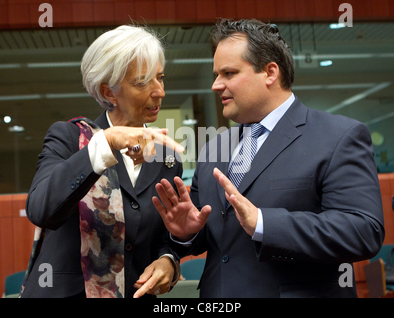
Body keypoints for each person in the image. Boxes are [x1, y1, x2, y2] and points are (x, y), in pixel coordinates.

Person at [153, 19, 385, 298]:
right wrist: (187, 234)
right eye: (216, 74)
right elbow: (218, 237)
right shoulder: (214, 147)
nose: (216, 85)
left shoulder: (339, 137)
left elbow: (363, 231)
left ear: (270, 72)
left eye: (228, 73)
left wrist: (263, 223)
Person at [20, 25, 185, 298]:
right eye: (143, 82)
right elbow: (41, 210)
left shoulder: (167, 157)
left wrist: (168, 261)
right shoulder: (71, 138)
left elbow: (161, 239)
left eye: (160, 78)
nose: (160, 92)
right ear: (110, 93)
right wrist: (105, 145)